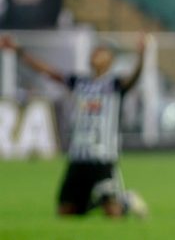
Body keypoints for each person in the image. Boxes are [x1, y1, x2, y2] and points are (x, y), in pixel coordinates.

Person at [0, 34, 149, 218]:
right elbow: (49, 71)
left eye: (101, 52)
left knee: (113, 214)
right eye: (94, 52)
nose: (95, 55)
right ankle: (103, 201)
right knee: (66, 212)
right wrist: (19, 52)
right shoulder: (80, 82)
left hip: (102, 158)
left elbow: (133, 78)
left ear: (110, 60)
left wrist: (142, 56)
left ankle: (125, 201)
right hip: (78, 157)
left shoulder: (114, 84)